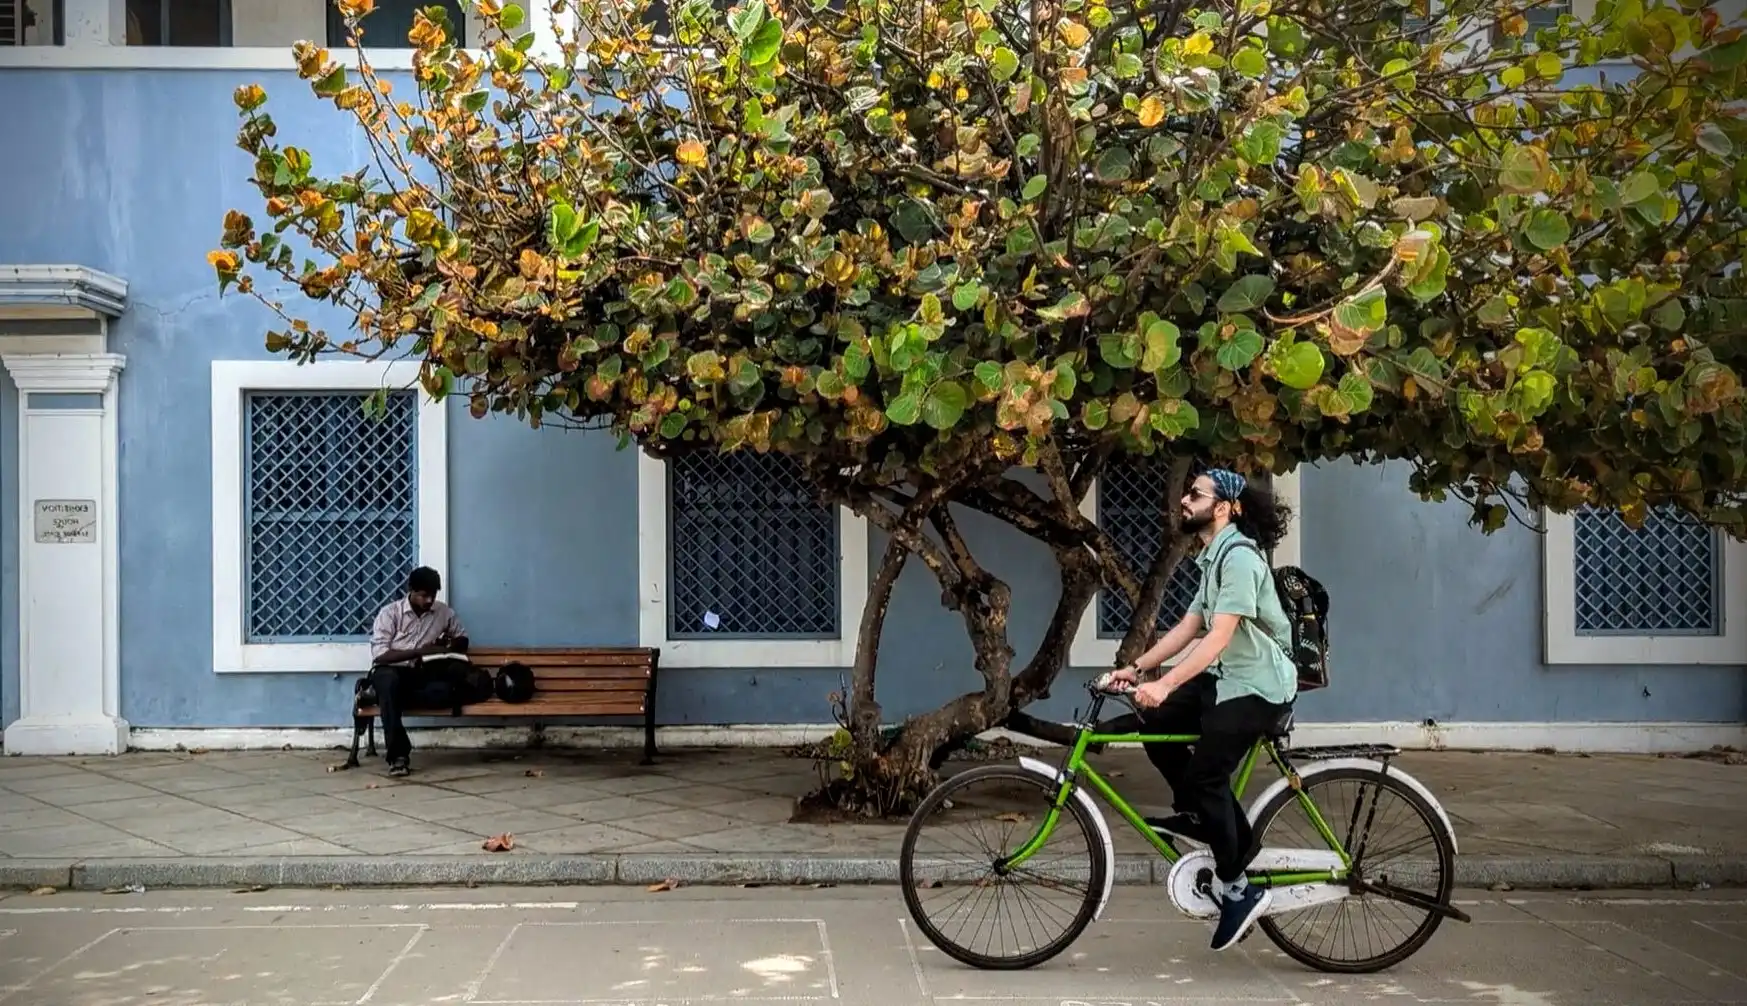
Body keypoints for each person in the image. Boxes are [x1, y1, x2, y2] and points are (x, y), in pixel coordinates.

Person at [1101, 467, 1298, 951]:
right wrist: (1136, 669)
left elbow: (1219, 637)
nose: (1185, 501)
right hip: (1226, 680)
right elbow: (1188, 627)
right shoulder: (1213, 558)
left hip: (1259, 688)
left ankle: (1238, 888)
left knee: (1207, 777)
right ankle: (1201, 818)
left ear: (1225, 508)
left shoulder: (1241, 561)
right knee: (1154, 723)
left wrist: (1166, 683)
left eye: (1196, 494)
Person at [368, 566, 469, 777]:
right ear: (411, 590)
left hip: (421, 673)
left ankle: (387, 698)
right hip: (390, 670)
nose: (429, 601)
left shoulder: (443, 613)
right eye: (424, 595)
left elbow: (462, 638)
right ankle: (398, 756)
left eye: (433, 595)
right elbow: (380, 654)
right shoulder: (390, 613)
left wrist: (448, 646)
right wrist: (419, 652)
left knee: (444, 691)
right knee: (388, 683)